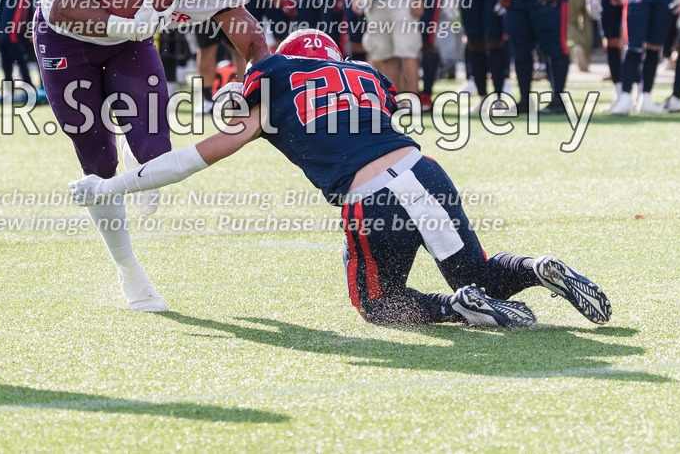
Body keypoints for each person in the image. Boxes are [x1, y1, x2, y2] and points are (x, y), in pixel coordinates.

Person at [71, 29, 612, 329]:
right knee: (480, 269)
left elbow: (194, 156)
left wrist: (111, 186)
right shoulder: (366, 77)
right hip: (422, 171)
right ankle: (538, 269)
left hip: (369, 198)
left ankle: (454, 308)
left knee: (379, 305)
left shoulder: (274, 78)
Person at [34, 0, 272, 311]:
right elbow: (63, 10)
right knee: (98, 163)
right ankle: (131, 274)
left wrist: (255, 82)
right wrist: (122, 26)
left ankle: (134, 144)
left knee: (153, 154)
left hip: (132, 37)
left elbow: (253, 41)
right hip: (66, 39)